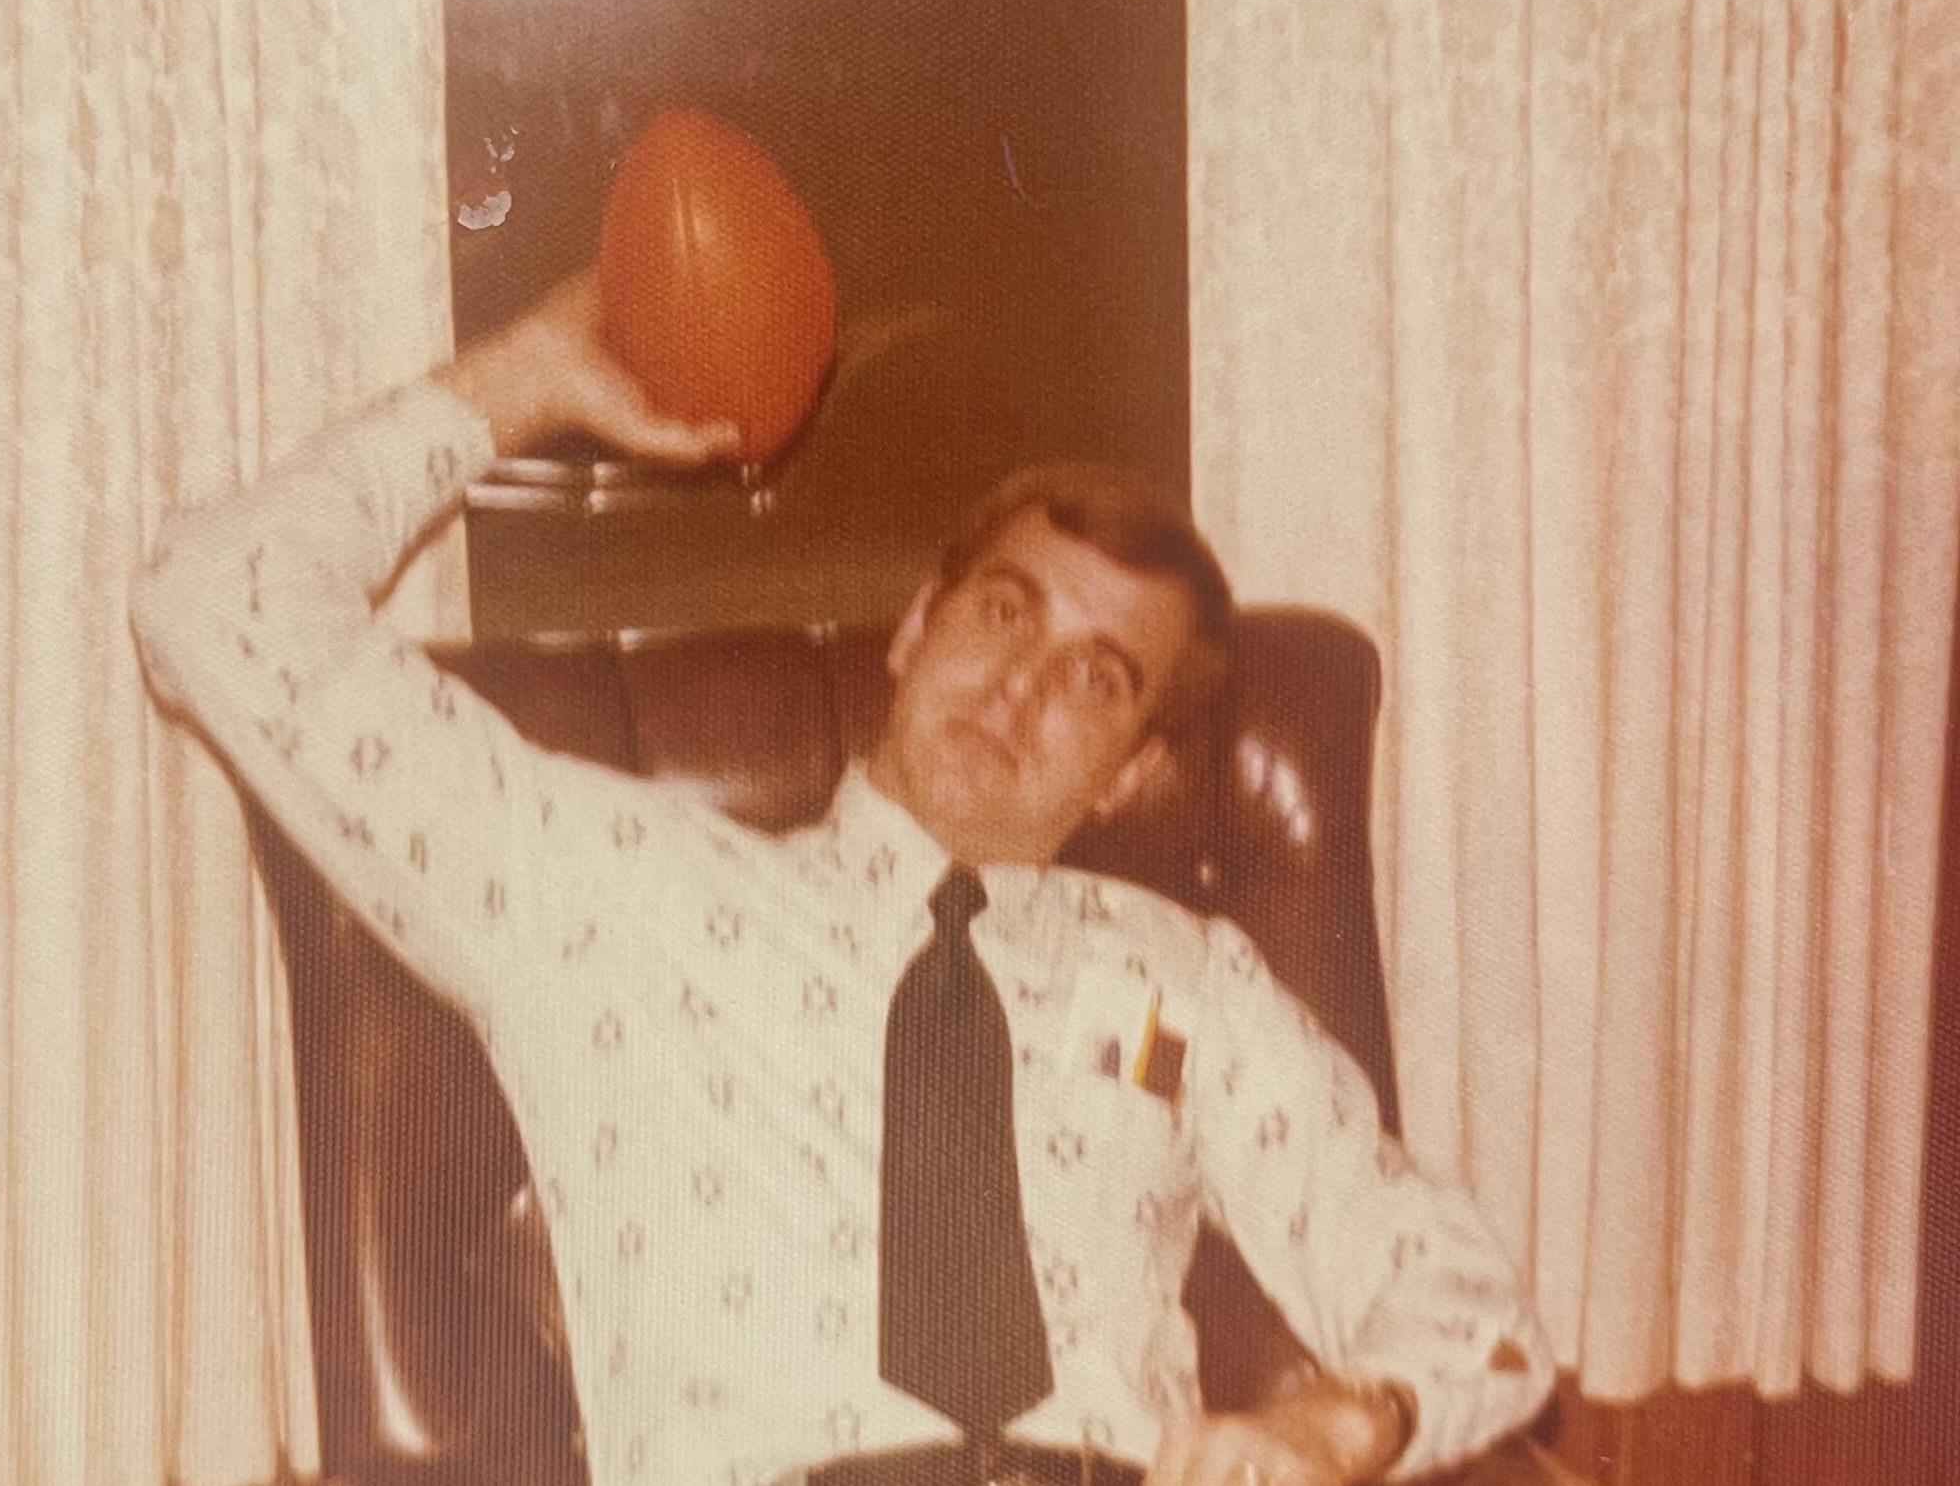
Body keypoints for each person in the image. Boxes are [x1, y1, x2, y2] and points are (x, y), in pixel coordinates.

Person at [130, 268, 1553, 1486]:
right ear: (919, 627)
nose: (1022, 684)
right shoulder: (608, 888)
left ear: (1131, 772)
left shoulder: (1183, 984)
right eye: (1004, 612)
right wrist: (527, 378)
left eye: (1096, 678)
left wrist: (1337, 1424)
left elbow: (1473, 1312)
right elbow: (211, 601)